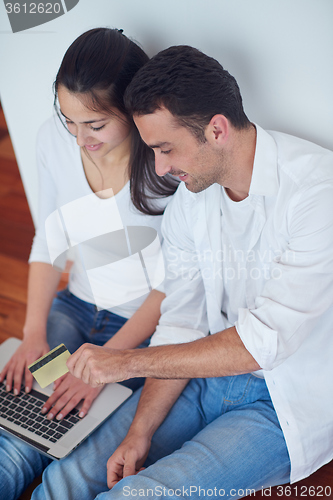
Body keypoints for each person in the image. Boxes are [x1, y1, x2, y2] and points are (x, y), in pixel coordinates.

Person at [30, 45, 333, 499]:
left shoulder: (317, 191)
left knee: (136, 494)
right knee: (65, 479)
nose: (160, 168)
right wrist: (139, 432)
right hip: (199, 377)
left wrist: (124, 362)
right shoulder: (193, 196)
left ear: (216, 129)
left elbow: (262, 344)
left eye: (165, 148)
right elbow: (181, 318)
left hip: (280, 401)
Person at [0, 29, 178, 500]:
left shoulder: (166, 167)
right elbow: (49, 240)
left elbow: (173, 288)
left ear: (132, 110)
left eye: (95, 125)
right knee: (17, 432)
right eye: (68, 119)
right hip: (76, 308)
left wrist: (110, 365)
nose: (79, 138)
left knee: (62, 432)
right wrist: (33, 332)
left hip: (137, 332)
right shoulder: (52, 140)